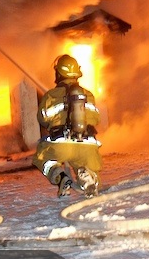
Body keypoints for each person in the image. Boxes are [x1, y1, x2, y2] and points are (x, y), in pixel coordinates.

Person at [32, 54, 102, 198]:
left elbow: (42, 119)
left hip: (61, 145)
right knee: (84, 163)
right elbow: (96, 119)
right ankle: (88, 177)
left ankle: (60, 176)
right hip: (87, 146)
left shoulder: (51, 95)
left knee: (41, 157)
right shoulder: (88, 95)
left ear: (58, 73)